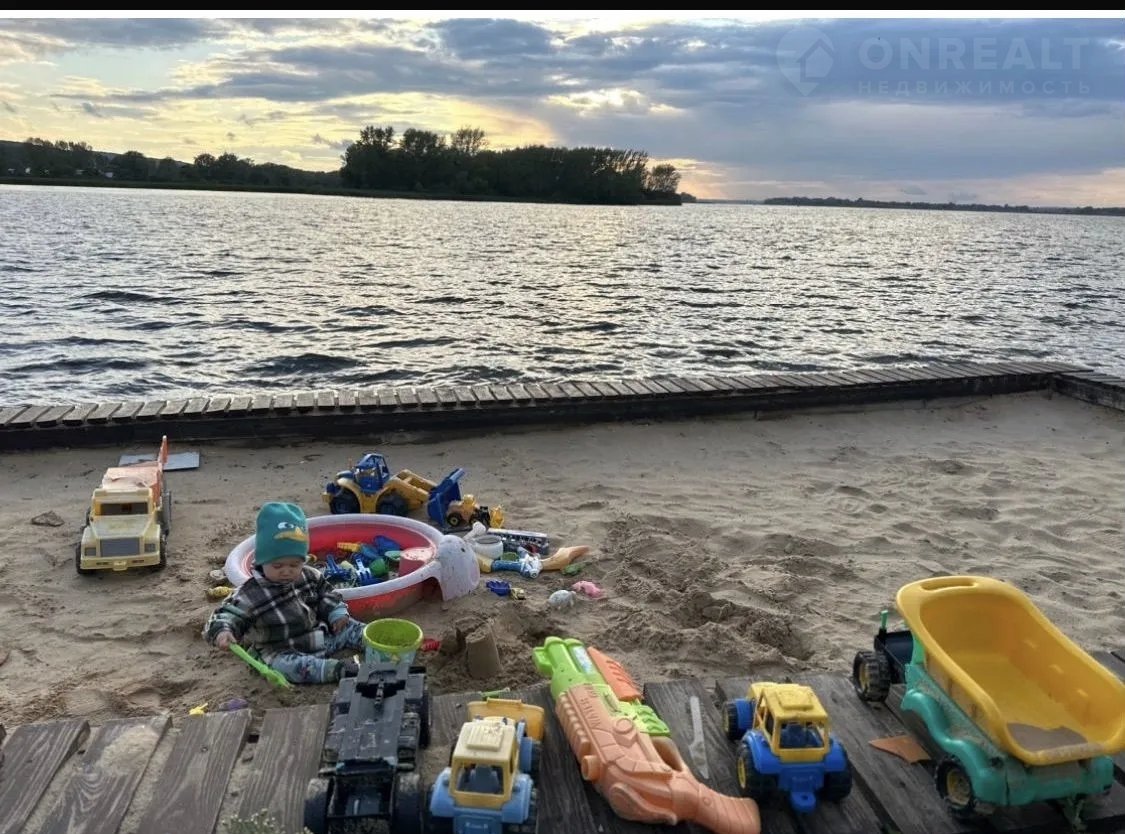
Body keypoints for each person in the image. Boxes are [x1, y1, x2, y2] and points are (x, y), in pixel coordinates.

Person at [203, 501, 366, 684]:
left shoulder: (309, 575)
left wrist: (336, 612)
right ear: (262, 560)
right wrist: (222, 630)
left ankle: (378, 645)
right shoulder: (249, 594)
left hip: (319, 636)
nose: (286, 571)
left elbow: (327, 593)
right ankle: (335, 669)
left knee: (351, 626)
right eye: (277, 566)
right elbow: (226, 615)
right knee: (285, 666)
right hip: (281, 650)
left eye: (294, 565)